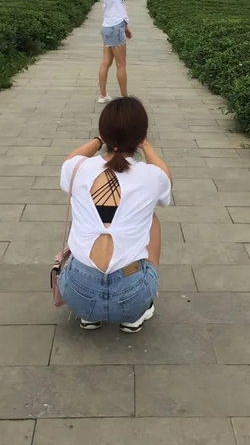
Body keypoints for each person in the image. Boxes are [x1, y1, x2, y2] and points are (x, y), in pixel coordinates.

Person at [58, 97, 172, 332]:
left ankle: (89, 317)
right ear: (141, 136)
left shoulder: (77, 169)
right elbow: (166, 180)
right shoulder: (152, 177)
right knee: (152, 219)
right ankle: (134, 315)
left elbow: (71, 159)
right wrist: (146, 145)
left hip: (77, 294)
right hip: (132, 297)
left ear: (104, 133)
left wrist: (99, 140)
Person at [97, 0, 132, 104]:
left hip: (111, 27)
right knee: (121, 64)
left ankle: (103, 95)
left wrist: (126, 27)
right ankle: (125, 97)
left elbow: (119, 7)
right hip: (114, 27)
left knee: (106, 62)